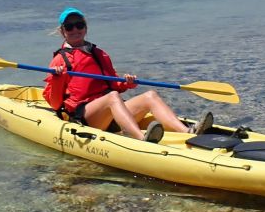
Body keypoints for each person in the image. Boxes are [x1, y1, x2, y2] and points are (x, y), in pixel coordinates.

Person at [43, 7, 212, 143]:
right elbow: (56, 104)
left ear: (85, 28)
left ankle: (188, 132)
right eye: (69, 26)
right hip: (86, 117)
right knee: (113, 97)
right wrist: (57, 79)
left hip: (109, 111)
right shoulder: (60, 59)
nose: (75, 29)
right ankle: (141, 139)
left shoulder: (99, 53)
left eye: (79, 25)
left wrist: (126, 83)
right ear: (63, 31)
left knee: (150, 96)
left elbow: (113, 84)